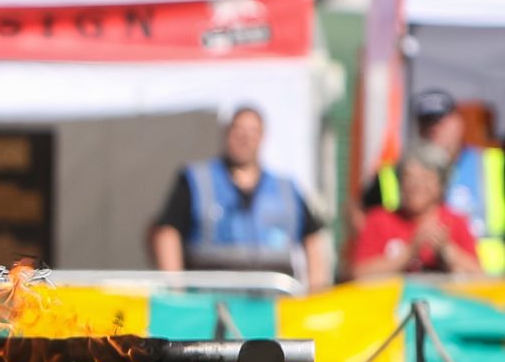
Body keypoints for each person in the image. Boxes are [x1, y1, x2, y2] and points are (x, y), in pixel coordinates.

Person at [147, 105, 331, 290]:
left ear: (262, 137)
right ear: (226, 133)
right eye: (239, 129)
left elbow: (312, 239)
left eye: (253, 131)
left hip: (274, 306)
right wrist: (176, 290)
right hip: (211, 304)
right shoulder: (196, 181)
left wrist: (316, 291)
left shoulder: (286, 189)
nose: (245, 138)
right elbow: (167, 233)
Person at [365, 90, 505, 275]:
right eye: (427, 123)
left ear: (459, 123)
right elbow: (362, 225)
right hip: (403, 286)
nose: (434, 130)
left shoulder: (492, 165)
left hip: (487, 285)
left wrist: (449, 252)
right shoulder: (390, 174)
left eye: (440, 122)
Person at [351, 143, 483, 279]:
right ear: (400, 182)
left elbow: (480, 276)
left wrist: (447, 250)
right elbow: (359, 274)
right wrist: (410, 251)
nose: (417, 186)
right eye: (410, 177)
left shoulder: (455, 222)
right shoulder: (379, 220)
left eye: (426, 178)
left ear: (441, 185)